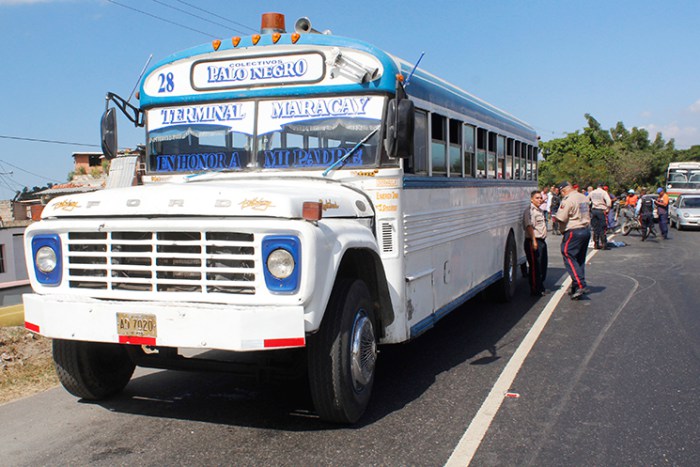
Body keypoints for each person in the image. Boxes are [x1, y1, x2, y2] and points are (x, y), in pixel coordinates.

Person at [554, 181, 591, 300]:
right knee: (579, 259)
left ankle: (580, 284)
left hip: (573, 230)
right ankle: (576, 286)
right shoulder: (583, 197)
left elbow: (561, 217)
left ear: (563, 191)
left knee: (567, 253)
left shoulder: (567, 200)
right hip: (585, 229)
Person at [523, 190, 548, 296]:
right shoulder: (530, 211)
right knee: (535, 266)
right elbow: (529, 226)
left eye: (540, 198)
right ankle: (535, 288)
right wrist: (533, 241)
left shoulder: (539, 210)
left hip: (541, 240)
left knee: (542, 265)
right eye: (537, 198)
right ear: (531, 199)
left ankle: (540, 285)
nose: (539, 200)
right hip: (533, 240)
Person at [587, 182, 612, 249]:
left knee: (595, 228)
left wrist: (589, 207)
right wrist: (608, 208)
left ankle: (596, 244)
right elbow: (609, 201)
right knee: (602, 227)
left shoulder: (592, 192)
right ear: (602, 187)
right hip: (601, 210)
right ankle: (604, 244)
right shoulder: (603, 192)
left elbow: (587, 200)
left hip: (594, 210)